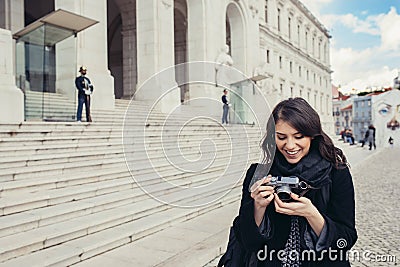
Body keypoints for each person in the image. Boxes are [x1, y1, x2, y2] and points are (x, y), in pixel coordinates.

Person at [220, 98, 357, 266]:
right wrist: (258, 208)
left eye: (299, 136)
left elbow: (346, 240)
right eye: (281, 137)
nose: (290, 145)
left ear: (312, 136)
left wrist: (311, 214)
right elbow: (247, 242)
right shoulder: (258, 174)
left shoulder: (336, 173)